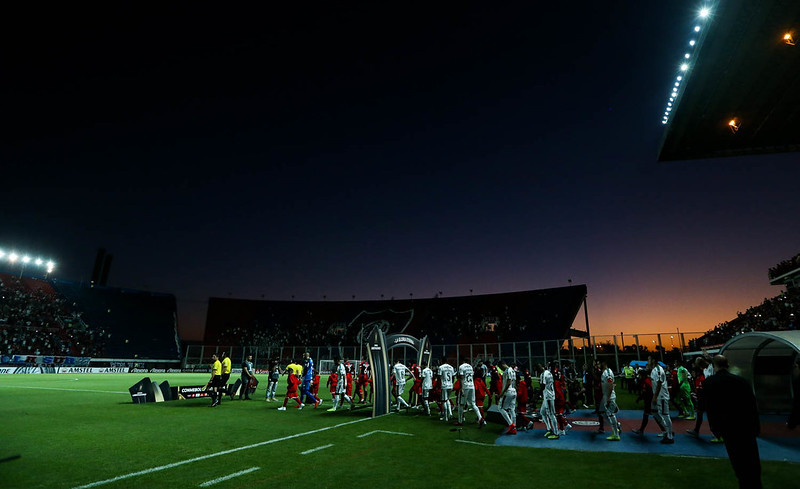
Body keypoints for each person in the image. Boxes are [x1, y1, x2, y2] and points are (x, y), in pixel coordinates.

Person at [703, 354, 761, 489]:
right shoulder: (740, 381)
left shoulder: (710, 383)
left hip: (728, 428)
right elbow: (752, 405)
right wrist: (756, 427)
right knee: (752, 463)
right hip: (746, 427)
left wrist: (715, 428)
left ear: (714, 366)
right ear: (727, 365)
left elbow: (710, 408)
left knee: (738, 463)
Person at [632, 368, 666, 436]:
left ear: (643, 376)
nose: (639, 377)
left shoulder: (646, 382)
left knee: (653, 415)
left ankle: (665, 430)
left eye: (640, 375)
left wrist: (641, 398)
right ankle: (664, 430)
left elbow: (648, 392)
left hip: (650, 401)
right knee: (649, 415)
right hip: (649, 401)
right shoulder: (646, 381)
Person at [649, 355, 674, 444]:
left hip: (662, 396)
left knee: (665, 415)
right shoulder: (654, 370)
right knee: (654, 412)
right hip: (658, 396)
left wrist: (655, 397)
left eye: (649, 359)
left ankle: (670, 435)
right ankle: (667, 430)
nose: (648, 361)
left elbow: (659, 383)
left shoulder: (658, 370)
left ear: (653, 360)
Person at [456, 360, 486, 428]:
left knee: (460, 404)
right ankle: (480, 418)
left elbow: (460, 378)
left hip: (465, 386)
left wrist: (461, 389)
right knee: (473, 404)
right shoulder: (470, 367)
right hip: (471, 386)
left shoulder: (461, 367)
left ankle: (460, 421)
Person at [599, 359, 621, 441]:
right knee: (602, 412)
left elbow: (611, 384)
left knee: (611, 414)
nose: (598, 365)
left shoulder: (607, 373)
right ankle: (616, 426)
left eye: (599, 363)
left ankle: (616, 434)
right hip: (606, 396)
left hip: (609, 397)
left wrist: (608, 397)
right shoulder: (606, 372)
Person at [538, 363, 558, 439]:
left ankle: (556, 433)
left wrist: (536, 396)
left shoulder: (543, 375)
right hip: (548, 395)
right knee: (542, 412)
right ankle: (549, 428)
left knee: (551, 414)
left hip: (548, 396)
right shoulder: (548, 372)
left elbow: (542, 386)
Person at [497, 360, 517, 435]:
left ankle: (511, 425)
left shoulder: (507, 371)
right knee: (512, 409)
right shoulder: (513, 370)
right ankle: (514, 427)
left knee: (500, 408)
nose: (500, 369)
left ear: (502, 365)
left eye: (500, 367)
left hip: (508, 391)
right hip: (514, 391)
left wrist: (502, 393)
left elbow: (508, 382)